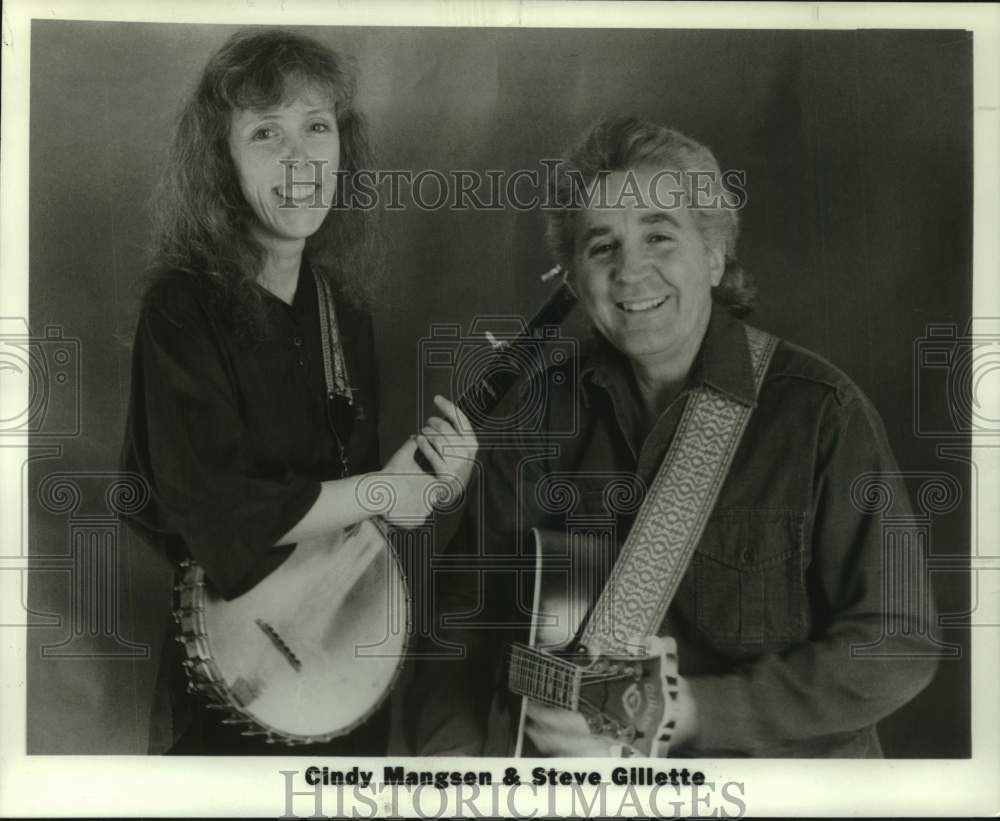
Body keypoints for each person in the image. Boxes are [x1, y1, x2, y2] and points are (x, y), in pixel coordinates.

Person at [407, 116, 938, 758]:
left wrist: (688, 713)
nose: (632, 273)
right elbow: (459, 629)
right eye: (602, 247)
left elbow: (898, 643)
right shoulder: (538, 416)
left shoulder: (821, 412)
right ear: (574, 281)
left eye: (659, 236)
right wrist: (452, 770)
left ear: (714, 256)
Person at [122, 29, 476, 755]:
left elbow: (355, 519)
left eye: (317, 126)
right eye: (264, 133)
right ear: (221, 164)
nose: (300, 158)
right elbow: (216, 511)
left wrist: (428, 486)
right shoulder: (180, 308)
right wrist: (380, 492)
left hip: (334, 659)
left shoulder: (341, 307)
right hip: (233, 670)